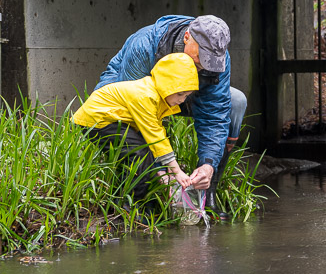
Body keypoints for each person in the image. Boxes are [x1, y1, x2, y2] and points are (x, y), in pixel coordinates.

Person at [95, 15, 244, 219]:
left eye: (212, 60)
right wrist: (164, 171)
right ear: (186, 37)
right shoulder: (145, 44)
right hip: (134, 97)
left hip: (180, 95)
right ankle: (139, 195)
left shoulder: (218, 60)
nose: (205, 65)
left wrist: (208, 163)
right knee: (134, 133)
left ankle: (207, 191)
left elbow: (214, 116)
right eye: (202, 57)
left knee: (236, 102)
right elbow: (135, 110)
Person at [74, 53, 198, 205]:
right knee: (139, 154)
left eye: (187, 95)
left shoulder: (155, 95)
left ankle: (121, 200)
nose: (182, 100)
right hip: (97, 120)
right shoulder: (146, 95)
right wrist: (176, 170)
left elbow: (154, 138)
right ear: (166, 85)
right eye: (179, 94)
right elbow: (155, 136)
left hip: (111, 120)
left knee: (141, 153)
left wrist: (163, 171)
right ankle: (131, 207)